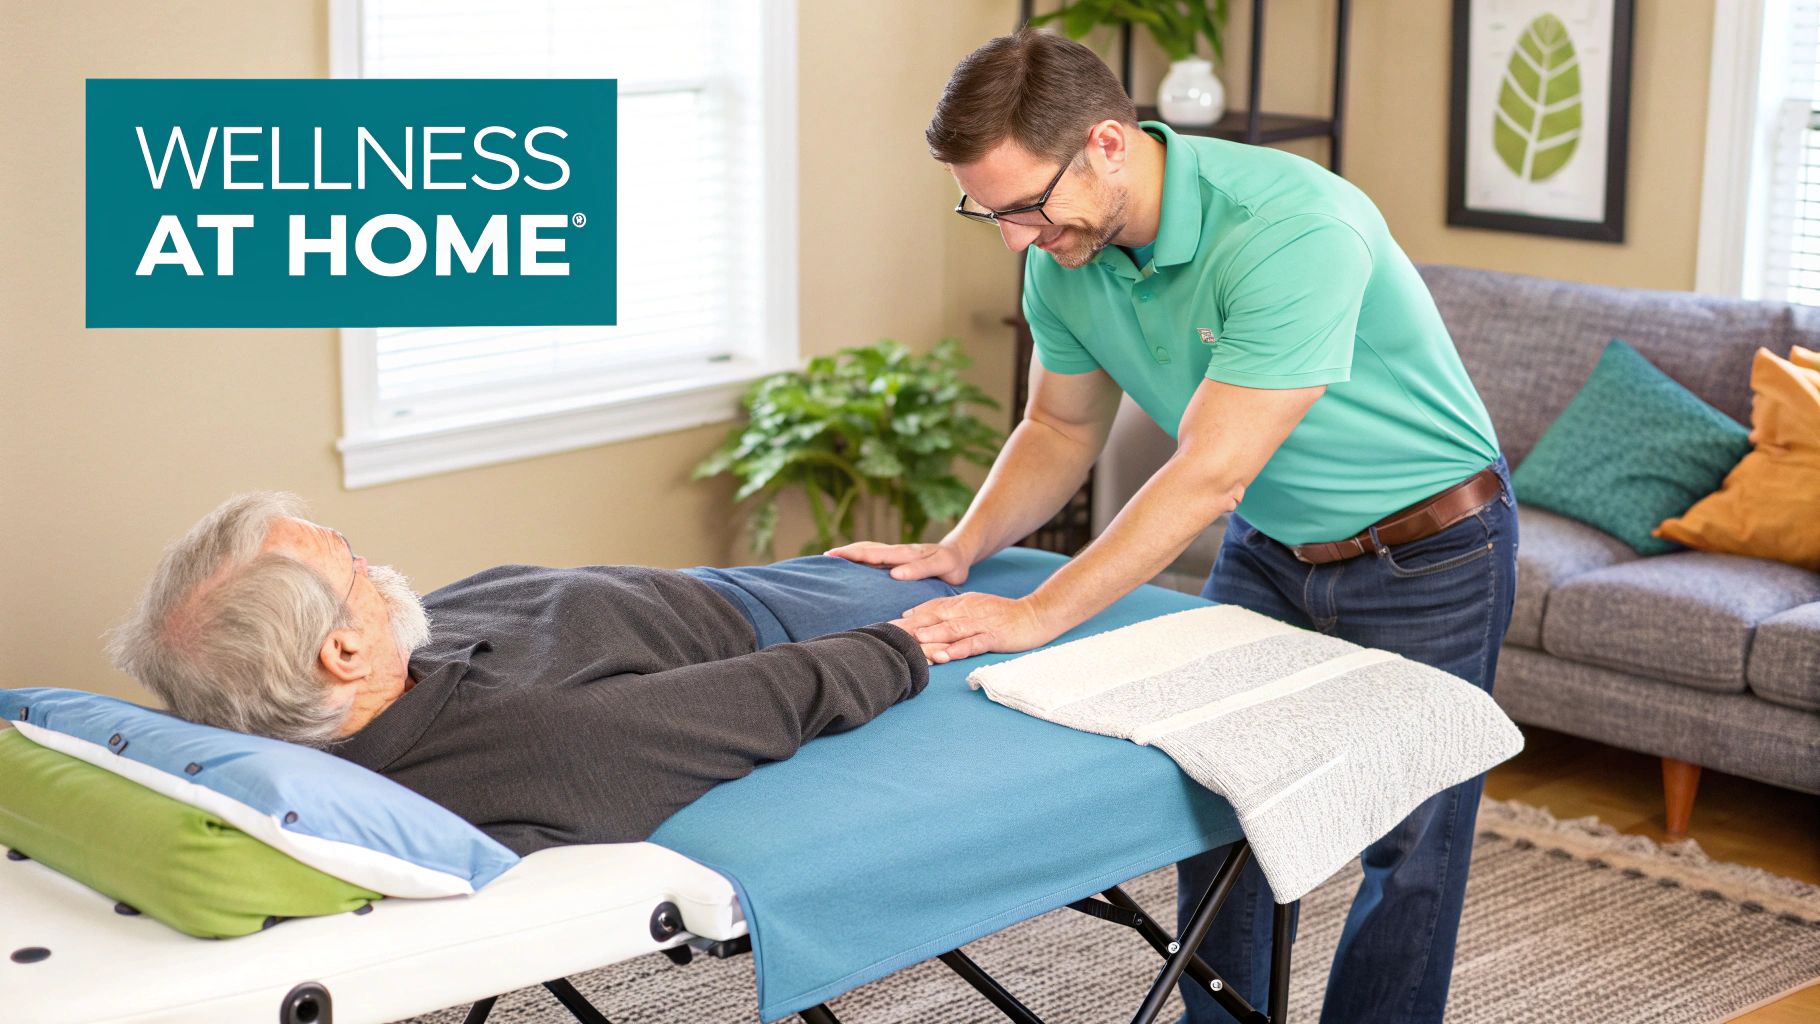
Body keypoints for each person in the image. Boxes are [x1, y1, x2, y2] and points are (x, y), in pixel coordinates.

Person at [826, 31, 1518, 1024]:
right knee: (1218, 801)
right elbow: (1058, 426)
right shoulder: (1068, 254)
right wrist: (961, 546)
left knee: (1409, 844)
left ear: (1107, 143)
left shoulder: (1290, 226)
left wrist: (1037, 612)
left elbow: (1207, 471)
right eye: (988, 208)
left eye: (1025, 204)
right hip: (1271, 547)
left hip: (1430, 549)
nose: (1016, 237)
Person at [107, 491, 952, 855]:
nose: (372, 565)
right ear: (342, 655)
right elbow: (770, 694)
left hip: (691, 589)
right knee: (1000, 575)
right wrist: (912, 642)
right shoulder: (543, 739)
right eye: (354, 568)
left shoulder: (318, 716)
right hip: (765, 620)